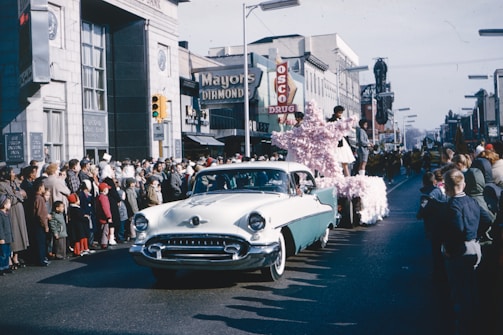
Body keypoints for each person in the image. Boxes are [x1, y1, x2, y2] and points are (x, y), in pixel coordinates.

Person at [441, 168, 486, 335]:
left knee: (460, 291)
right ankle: (476, 324)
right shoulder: (473, 201)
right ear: (464, 184)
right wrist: (475, 234)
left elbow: (457, 230)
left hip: (460, 250)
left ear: (446, 187)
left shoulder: (451, 206)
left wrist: (449, 250)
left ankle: (463, 328)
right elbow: (486, 219)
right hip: (475, 247)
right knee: (473, 288)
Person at [417, 171, 447, 283]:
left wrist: (419, 214)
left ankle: (438, 274)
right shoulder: (438, 190)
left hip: (432, 225)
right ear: (434, 181)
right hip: (441, 223)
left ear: (423, 183)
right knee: (440, 249)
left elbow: (424, 207)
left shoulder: (427, 194)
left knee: (436, 250)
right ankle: (441, 272)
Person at [0, 167, 29, 270]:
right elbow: (6, 199)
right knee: (12, 233)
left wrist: (18, 194)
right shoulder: (2, 185)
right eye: (12, 172)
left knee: (20, 234)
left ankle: (16, 257)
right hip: (11, 211)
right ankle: (9, 260)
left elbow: (23, 193)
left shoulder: (14, 183)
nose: (14, 174)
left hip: (19, 210)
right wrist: (18, 195)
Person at [327, 105, 355, 177]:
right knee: (334, 161)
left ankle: (347, 176)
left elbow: (345, 133)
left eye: (341, 113)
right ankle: (337, 177)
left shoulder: (341, 120)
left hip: (342, 142)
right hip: (334, 142)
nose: (340, 114)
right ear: (336, 112)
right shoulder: (331, 121)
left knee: (344, 162)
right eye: (339, 112)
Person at [30, 180, 50, 266]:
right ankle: (41, 260)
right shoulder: (40, 199)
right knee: (41, 242)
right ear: (39, 188)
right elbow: (41, 214)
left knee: (38, 242)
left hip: (34, 222)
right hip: (39, 223)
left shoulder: (34, 197)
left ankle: (38, 259)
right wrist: (45, 225)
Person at [96, 182, 112, 249]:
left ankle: (103, 242)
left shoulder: (99, 197)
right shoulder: (103, 198)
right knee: (105, 230)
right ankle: (104, 243)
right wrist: (109, 216)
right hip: (104, 217)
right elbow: (105, 208)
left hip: (100, 216)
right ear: (104, 190)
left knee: (102, 230)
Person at [0, 195, 13, 275]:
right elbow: (0, 227)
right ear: (4, 204)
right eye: (8, 203)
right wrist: (1, 237)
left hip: (8, 237)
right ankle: (1, 268)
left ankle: (6, 267)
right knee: (3, 254)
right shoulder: (1, 215)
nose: (10, 204)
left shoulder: (7, 214)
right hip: (3, 238)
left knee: (7, 253)